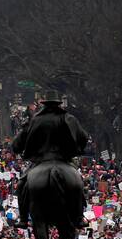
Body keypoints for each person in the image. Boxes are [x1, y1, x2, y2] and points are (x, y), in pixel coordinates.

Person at [11, 93, 89, 229]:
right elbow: (84, 138)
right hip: (63, 160)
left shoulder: (35, 120)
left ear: (44, 104)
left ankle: (23, 218)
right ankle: (79, 217)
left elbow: (16, 146)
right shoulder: (69, 118)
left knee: (22, 185)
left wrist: (25, 131)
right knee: (79, 184)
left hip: (41, 161)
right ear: (58, 104)